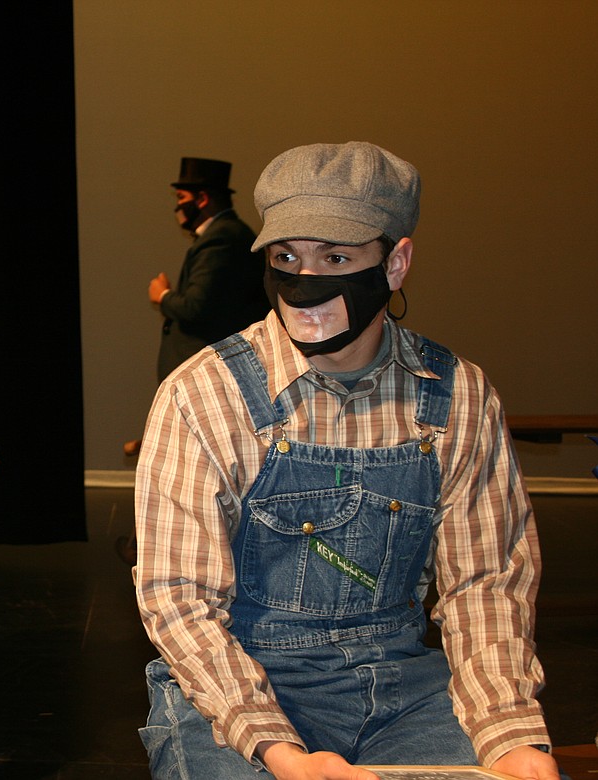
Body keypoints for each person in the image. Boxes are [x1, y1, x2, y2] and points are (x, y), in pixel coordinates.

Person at [134, 142, 561, 779]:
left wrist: (508, 736)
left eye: (336, 257)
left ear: (396, 263)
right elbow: (180, 598)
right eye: (286, 258)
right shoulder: (203, 394)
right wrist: (279, 750)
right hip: (237, 689)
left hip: (406, 690)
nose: (306, 284)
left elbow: (485, 583)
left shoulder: (457, 395)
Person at [148, 156, 269, 384]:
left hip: (207, 370)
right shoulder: (226, 233)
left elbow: (195, 307)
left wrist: (162, 296)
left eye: (182, 198)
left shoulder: (221, 237)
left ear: (202, 199)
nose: (178, 206)